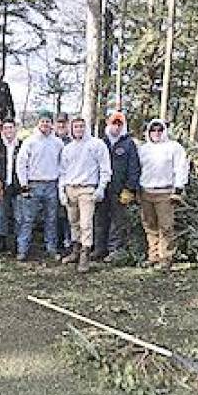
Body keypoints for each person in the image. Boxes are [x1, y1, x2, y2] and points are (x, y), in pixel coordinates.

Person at [59, 117, 112, 273]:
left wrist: (101, 187)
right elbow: (62, 171)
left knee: (86, 224)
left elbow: (105, 168)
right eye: (76, 127)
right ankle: (75, 251)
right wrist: (61, 190)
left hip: (87, 189)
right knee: (73, 222)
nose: (79, 130)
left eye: (81, 126)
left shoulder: (96, 145)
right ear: (71, 129)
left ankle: (85, 256)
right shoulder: (68, 148)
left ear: (86, 127)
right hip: (71, 188)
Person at [138, 119, 189, 270]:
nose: (156, 133)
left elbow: (181, 167)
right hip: (146, 191)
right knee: (149, 225)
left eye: (159, 130)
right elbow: (137, 169)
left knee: (166, 226)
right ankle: (153, 256)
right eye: (153, 130)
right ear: (148, 132)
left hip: (165, 192)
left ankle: (166, 258)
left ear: (164, 131)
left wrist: (178, 188)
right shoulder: (143, 149)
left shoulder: (174, 147)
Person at [15, 111, 64, 262]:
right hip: (33, 184)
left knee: (51, 219)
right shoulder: (30, 141)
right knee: (28, 219)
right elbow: (21, 164)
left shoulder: (58, 143)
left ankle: (51, 248)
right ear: (38, 123)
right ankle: (22, 249)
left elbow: (63, 165)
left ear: (52, 124)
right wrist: (24, 185)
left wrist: (60, 185)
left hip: (52, 184)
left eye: (48, 121)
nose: (45, 124)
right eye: (42, 121)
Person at [93, 111, 141, 262]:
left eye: (119, 124)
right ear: (108, 124)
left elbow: (134, 168)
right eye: (114, 123)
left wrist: (130, 188)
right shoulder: (101, 143)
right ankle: (99, 248)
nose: (116, 127)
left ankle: (114, 250)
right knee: (100, 219)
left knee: (117, 221)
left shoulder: (128, 144)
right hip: (102, 188)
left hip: (119, 190)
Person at [0, 119, 22, 253]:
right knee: (1, 215)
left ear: (15, 129)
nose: (8, 131)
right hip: (2, 185)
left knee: (18, 216)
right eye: (5, 128)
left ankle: (17, 242)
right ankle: (1, 242)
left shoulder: (21, 145)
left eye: (10, 127)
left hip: (17, 186)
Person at [54, 112, 72, 252]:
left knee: (67, 213)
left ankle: (69, 241)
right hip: (52, 180)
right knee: (54, 214)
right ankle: (57, 242)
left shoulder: (72, 142)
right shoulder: (51, 140)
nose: (61, 125)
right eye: (59, 122)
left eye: (64, 123)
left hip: (67, 180)